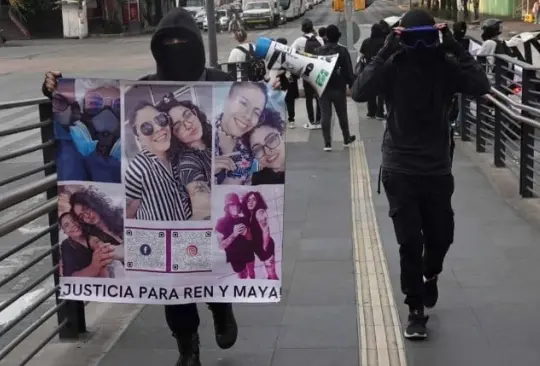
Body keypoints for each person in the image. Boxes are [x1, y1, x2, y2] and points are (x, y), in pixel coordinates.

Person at [42, 8, 240, 366]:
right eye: (169, 44)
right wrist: (56, 92)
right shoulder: (144, 88)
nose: (177, 49)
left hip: (209, 209)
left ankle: (221, 307)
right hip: (165, 226)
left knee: (212, 267)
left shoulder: (220, 81)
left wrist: (269, 89)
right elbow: (93, 110)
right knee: (173, 286)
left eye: (184, 42)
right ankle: (187, 346)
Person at [351, 9, 490, 340]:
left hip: (437, 168)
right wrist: (387, 48)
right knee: (410, 241)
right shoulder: (393, 65)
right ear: (401, 37)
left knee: (441, 236)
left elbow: (480, 85)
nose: (420, 43)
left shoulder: (445, 64)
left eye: (426, 36)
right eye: (412, 37)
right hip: (399, 168)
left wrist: (455, 46)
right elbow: (358, 91)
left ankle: (432, 273)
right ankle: (415, 309)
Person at [125, 102, 193, 221]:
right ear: (139, 139)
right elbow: (128, 214)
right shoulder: (137, 168)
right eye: (146, 128)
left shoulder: (177, 157)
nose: (158, 128)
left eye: (160, 119)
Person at [162, 99, 213, 220]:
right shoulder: (187, 162)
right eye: (178, 127)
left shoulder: (214, 141)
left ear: (194, 113)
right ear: (173, 136)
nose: (188, 125)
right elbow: (203, 208)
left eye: (188, 115)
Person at [214, 82, 268, 185]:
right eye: (243, 103)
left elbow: (228, 195)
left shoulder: (248, 150)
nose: (248, 116)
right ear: (227, 100)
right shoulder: (201, 132)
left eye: (256, 112)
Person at [315, 24, 356, 151]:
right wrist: (351, 84)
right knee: (342, 113)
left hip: (323, 87)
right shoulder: (343, 51)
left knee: (325, 115)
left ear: (326, 37)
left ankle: (327, 143)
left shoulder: (319, 51)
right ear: (338, 37)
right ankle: (346, 138)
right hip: (339, 87)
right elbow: (349, 70)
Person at [291, 19, 324, 130]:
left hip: (307, 73)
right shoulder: (319, 39)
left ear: (303, 29)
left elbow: (291, 53)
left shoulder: (299, 41)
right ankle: (319, 120)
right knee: (318, 96)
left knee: (308, 97)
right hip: (318, 72)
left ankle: (311, 122)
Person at [215, 193, 255, 279]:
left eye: (237, 205)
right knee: (242, 279)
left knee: (252, 274)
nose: (235, 207)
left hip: (248, 254)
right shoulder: (221, 223)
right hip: (235, 258)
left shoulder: (244, 219)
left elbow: (251, 239)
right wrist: (234, 234)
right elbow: (221, 246)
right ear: (227, 207)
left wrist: (246, 233)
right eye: (232, 205)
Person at [243, 108, 286, 185]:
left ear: (282, 134)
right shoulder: (258, 180)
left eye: (271, 140)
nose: (267, 152)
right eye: (257, 149)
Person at [241, 191, 278, 280]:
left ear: (258, 202)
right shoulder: (250, 214)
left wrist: (264, 248)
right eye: (248, 200)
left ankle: (276, 291)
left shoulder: (259, 212)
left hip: (265, 246)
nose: (250, 202)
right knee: (269, 273)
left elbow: (266, 231)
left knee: (272, 274)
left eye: (254, 200)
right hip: (257, 247)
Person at [359, 23, 386, 120]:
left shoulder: (366, 42)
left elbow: (361, 56)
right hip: (381, 69)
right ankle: (380, 112)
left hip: (369, 69)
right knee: (381, 91)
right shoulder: (384, 42)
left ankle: (371, 112)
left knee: (370, 90)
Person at [275, 37, 299, 129]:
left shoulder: (282, 55)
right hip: (290, 81)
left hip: (286, 81)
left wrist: (278, 73)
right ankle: (291, 120)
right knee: (289, 101)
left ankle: (289, 120)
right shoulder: (291, 53)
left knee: (285, 100)